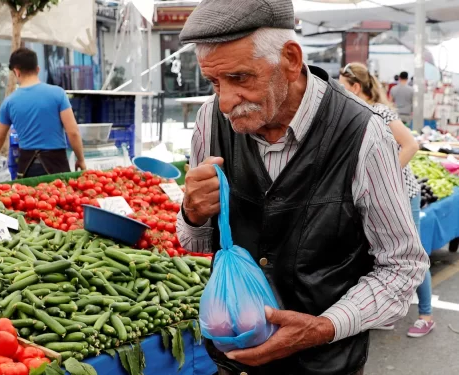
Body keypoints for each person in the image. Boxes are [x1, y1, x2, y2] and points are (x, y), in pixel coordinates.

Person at [177, 0, 428, 374]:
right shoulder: (210, 120)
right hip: (234, 360)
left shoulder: (363, 134)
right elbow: (195, 242)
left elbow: (402, 266)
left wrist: (322, 328)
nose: (226, 101)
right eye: (214, 82)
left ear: (291, 60)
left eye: (241, 78)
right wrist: (193, 213)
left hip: (323, 363)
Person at [339, 63, 434, 338]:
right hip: (378, 198)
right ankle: (390, 312)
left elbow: (411, 145)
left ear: (356, 88)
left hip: (404, 194)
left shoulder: (379, 112)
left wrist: (383, 179)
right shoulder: (353, 115)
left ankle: (426, 314)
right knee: (382, 253)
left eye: (343, 88)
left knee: (410, 253)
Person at [0, 48, 86, 177]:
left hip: (27, 168)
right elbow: (73, 132)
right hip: (57, 165)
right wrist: (80, 159)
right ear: (38, 69)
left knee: (30, 196)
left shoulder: (9, 102)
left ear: (16, 72)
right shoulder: (58, 94)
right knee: (60, 197)